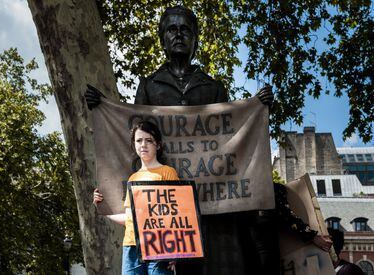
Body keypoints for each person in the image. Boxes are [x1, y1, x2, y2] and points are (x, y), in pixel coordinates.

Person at [86, 6, 275, 275]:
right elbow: (135, 136)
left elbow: (234, 134)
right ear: (162, 38)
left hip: (212, 206)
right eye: (172, 30)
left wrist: (259, 108)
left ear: (195, 38)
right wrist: (102, 107)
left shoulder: (213, 86)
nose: (178, 35)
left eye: (185, 30)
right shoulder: (149, 86)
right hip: (165, 210)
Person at [93, 121, 179, 275]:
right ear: (134, 145)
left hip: (160, 244)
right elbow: (129, 217)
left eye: (149, 140)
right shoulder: (133, 178)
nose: (143, 145)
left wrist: (176, 250)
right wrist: (102, 208)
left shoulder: (168, 173)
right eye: (139, 141)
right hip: (131, 245)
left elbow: (177, 214)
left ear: (158, 145)